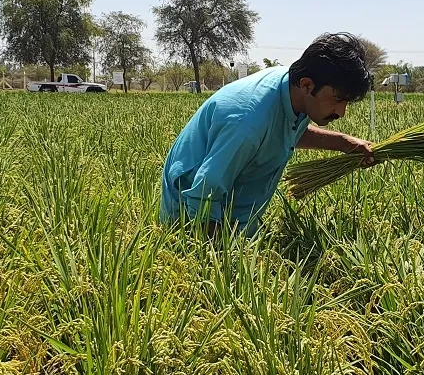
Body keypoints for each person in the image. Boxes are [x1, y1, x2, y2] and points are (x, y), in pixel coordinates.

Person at [159, 32, 377, 236]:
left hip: (234, 217)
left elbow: (281, 132)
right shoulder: (248, 122)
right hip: (191, 220)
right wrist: (222, 257)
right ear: (307, 86)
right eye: (338, 100)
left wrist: (344, 143)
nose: (341, 112)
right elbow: (203, 196)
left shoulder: (294, 87)